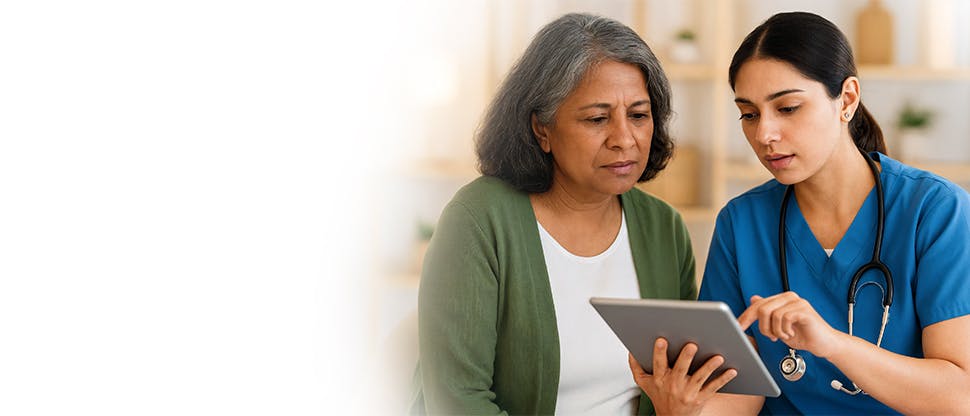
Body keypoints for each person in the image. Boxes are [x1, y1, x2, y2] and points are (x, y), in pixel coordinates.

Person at [630, 11, 970, 415]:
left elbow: (959, 397)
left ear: (846, 100)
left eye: (788, 108)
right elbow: (740, 397)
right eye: (749, 114)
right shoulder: (743, 223)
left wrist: (831, 343)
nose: (764, 134)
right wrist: (681, 407)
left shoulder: (934, 211)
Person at [410, 12, 719, 415]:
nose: (624, 139)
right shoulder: (479, 220)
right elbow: (457, 399)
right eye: (597, 118)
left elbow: (680, 383)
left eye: (639, 115)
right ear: (542, 129)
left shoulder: (664, 228)